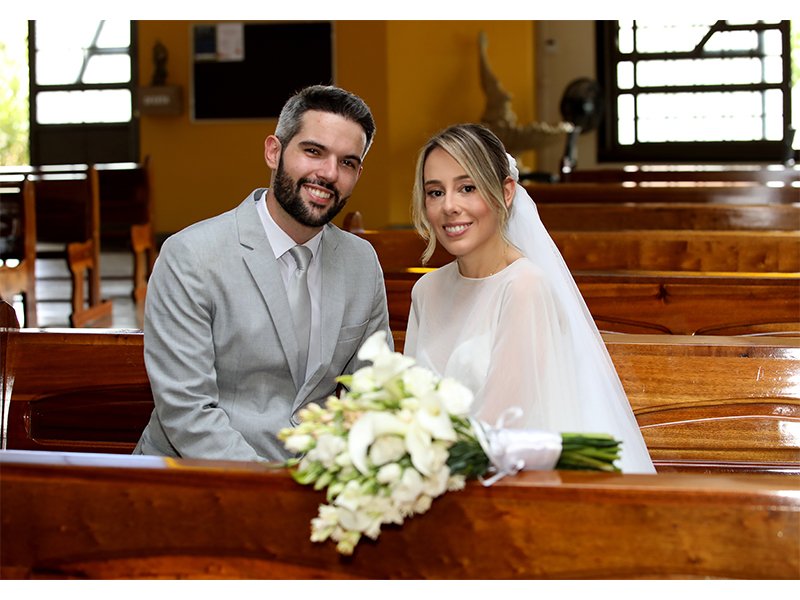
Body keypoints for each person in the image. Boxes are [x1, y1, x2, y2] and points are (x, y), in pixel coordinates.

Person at [134, 85, 392, 462]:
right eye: (313, 151)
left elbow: (372, 389)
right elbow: (187, 411)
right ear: (274, 151)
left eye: (348, 162)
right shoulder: (191, 256)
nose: (329, 173)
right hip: (195, 476)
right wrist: (277, 492)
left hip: (317, 480)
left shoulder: (361, 262)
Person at [403, 123, 655, 474]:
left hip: (502, 484)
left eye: (467, 188)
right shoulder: (426, 292)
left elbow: (502, 429)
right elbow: (408, 408)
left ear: (506, 192)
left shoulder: (524, 287)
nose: (449, 206)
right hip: (436, 482)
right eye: (435, 192)